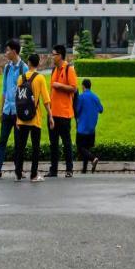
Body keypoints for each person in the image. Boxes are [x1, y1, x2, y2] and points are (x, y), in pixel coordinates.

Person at [13, 52, 52, 182]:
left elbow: (18, 99)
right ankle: (34, 175)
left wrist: (18, 118)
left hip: (22, 118)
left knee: (20, 147)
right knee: (35, 148)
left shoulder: (20, 78)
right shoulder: (40, 78)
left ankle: (18, 173)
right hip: (35, 118)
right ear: (38, 63)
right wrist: (50, 116)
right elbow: (46, 100)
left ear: (28, 63)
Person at [0, 38, 26, 179]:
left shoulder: (23, 68)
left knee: (19, 144)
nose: (6, 53)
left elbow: (25, 93)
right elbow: (4, 91)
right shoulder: (7, 68)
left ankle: (18, 170)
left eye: (7, 50)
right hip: (7, 111)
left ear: (14, 51)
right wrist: (1, 111)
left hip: (18, 113)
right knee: (2, 141)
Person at [47, 44, 78, 177]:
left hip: (64, 113)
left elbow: (74, 88)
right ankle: (53, 169)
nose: (52, 56)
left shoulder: (69, 69)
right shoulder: (54, 70)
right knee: (53, 143)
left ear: (59, 55)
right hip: (53, 113)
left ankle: (69, 169)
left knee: (66, 143)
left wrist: (60, 86)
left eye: (53, 54)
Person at [74, 78, 103, 173]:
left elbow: (77, 111)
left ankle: (93, 158)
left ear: (83, 86)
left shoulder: (81, 97)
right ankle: (84, 169)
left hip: (82, 128)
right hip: (92, 129)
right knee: (86, 148)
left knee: (80, 147)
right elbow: (101, 109)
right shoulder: (95, 97)